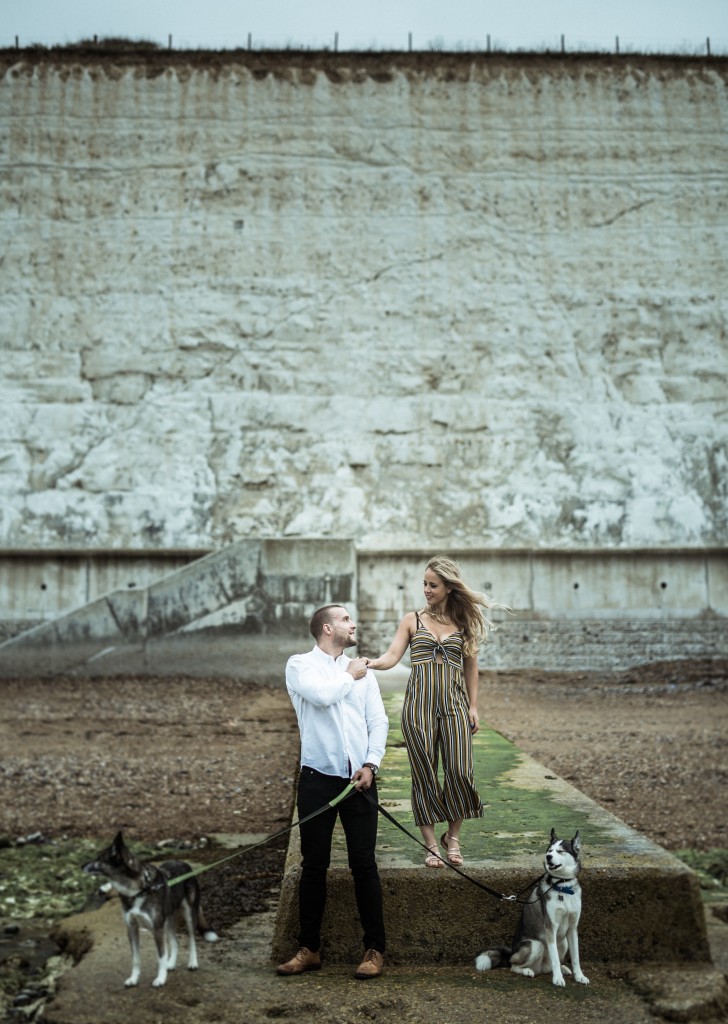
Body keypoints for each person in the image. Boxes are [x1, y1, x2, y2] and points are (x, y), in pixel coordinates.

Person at [366, 556, 501, 870]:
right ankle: (431, 846)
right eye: (424, 584)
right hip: (419, 706)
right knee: (424, 772)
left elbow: (472, 669)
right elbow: (391, 656)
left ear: (449, 588)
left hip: (454, 706)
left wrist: (473, 706)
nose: (426, 590)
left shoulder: (464, 625)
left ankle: (452, 838)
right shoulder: (411, 620)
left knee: (460, 772)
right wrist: (370, 663)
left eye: (433, 585)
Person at [276, 603, 389, 980]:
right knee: (313, 866)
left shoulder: (362, 673)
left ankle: (374, 949)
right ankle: (309, 948)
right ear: (326, 628)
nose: (352, 624)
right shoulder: (299, 666)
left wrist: (371, 764)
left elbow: (378, 721)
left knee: (364, 865)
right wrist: (352, 674)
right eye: (345, 619)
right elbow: (322, 696)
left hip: (360, 781)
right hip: (316, 780)